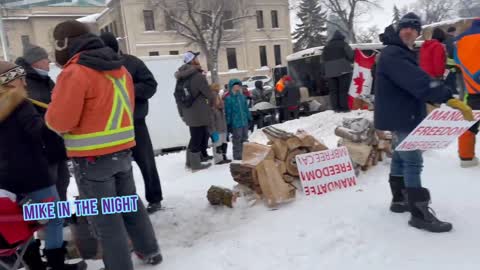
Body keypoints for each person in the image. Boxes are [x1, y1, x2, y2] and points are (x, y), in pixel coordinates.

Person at [45, 20, 162, 270]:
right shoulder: (120, 69)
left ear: (64, 43)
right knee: (130, 204)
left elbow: (61, 121)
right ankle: (150, 250)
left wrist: (52, 115)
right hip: (121, 153)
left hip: (92, 160)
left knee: (106, 220)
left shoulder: (74, 72)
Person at [374, 13, 473, 233]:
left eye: (414, 28)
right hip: (402, 114)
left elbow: (412, 81)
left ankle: (399, 200)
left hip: (398, 112)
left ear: (418, 32)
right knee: (413, 160)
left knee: (401, 156)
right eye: (405, 27)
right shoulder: (393, 53)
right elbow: (416, 80)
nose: (409, 31)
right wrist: (448, 97)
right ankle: (419, 213)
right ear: (399, 30)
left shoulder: (399, 51)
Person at [0, 61, 86, 270]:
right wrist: (53, 122)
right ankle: (57, 265)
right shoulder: (20, 104)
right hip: (33, 174)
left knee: (24, 224)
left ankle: (35, 265)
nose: (26, 83)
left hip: (5, 180)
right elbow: (38, 131)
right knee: (54, 218)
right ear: (13, 82)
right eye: (22, 78)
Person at [100, 32, 164, 214]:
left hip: (136, 123)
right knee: (116, 169)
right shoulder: (98, 67)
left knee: (146, 163)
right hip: (110, 126)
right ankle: (123, 204)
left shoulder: (133, 63)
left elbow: (151, 85)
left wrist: (127, 90)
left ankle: (154, 198)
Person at [15, 45, 71, 204]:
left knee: (63, 180)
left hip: (54, 139)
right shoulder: (20, 78)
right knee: (48, 184)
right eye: (45, 59)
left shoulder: (46, 80)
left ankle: (61, 214)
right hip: (40, 143)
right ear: (35, 62)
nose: (49, 62)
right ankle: (50, 219)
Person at [175, 51, 215, 171]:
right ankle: (196, 165)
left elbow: (177, 95)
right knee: (198, 137)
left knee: (195, 136)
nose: (198, 60)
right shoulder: (197, 76)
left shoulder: (181, 77)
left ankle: (190, 162)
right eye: (196, 58)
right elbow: (208, 94)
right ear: (192, 61)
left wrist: (181, 113)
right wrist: (212, 103)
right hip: (199, 112)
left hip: (188, 111)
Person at [455, 19, 480, 168]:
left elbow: (457, 62)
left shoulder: (461, 42)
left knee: (468, 124)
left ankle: (466, 157)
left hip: (473, 91)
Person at [322, 30, 354, 112]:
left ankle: (336, 108)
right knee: (343, 89)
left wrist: (324, 72)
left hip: (330, 71)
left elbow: (322, 60)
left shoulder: (326, 47)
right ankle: (344, 108)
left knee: (333, 91)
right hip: (343, 69)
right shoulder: (344, 44)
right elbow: (351, 56)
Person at [225, 79, 252, 160]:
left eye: (238, 85)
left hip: (244, 121)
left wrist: (249, 118)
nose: (237, 87)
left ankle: (245, 154)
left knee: (245, 138)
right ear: (231, 87)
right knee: (237, 139)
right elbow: (228, 111)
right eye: (235, 85)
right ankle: (238, 156)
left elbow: (246, 109)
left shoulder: (242, 97)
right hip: (235, 122)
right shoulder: (229, 98)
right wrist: (228, 123)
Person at [209, 83, 231, 165]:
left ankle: (223, 157)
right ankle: (219, 159)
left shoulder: (220, 108)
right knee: (218, 144)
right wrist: (213, 131)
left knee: (223, 143)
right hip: (217, 129)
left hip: (222, 127)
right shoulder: (212, 109)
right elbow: (211, 121)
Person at [444, 26, 458, 95]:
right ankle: (453, 91)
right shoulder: (452, 40)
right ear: (452, 32)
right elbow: (452, 51)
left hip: (445, 62)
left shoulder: (444, 39)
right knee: (452, 77)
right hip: (452, 62)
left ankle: (448, 90)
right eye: (455, 31)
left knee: (447, 77)